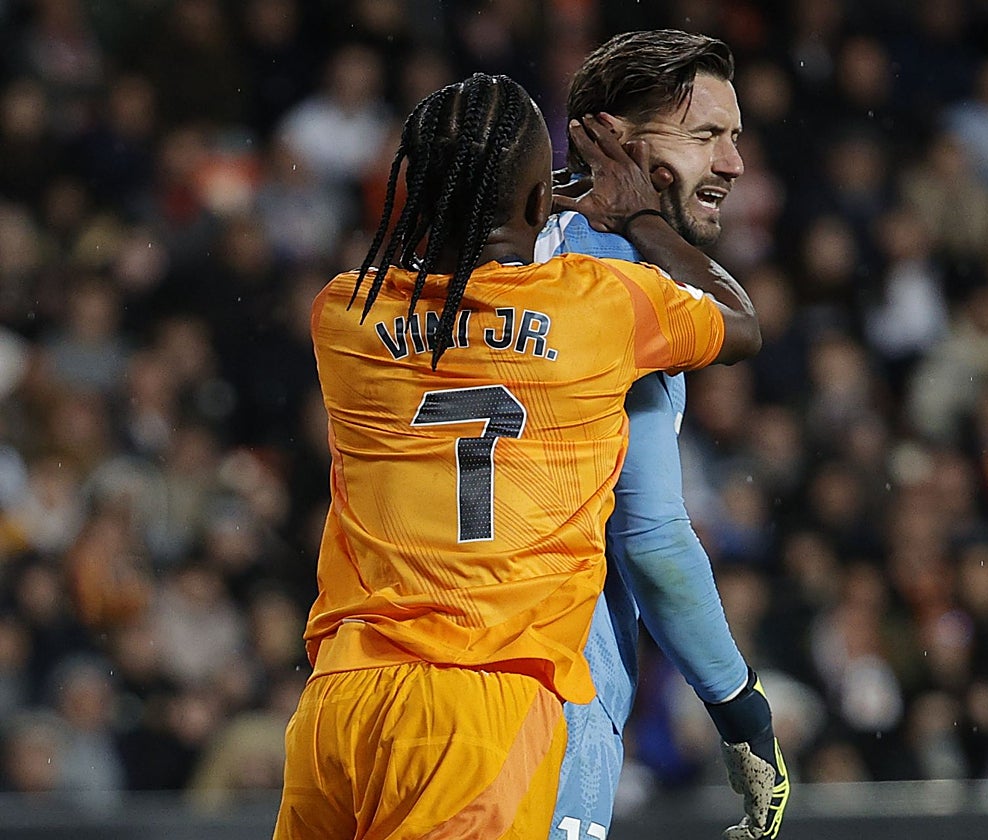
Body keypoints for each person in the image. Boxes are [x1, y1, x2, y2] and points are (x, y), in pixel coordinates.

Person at [272, 72, 760, 839]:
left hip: (342, 703)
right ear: (542, 201)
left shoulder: (343, 315)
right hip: (482, 707)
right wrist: (638, 218)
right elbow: (740, 322)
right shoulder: (601, 305)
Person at [535, 31, 790, 840]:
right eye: (705, 135)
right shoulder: (625, 281)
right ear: (613, 138)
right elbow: (646, 531)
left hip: (398, 678)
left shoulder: (497, 252)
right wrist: (739, 705)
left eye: (736, 136)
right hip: (548, 681)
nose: (733, 163)